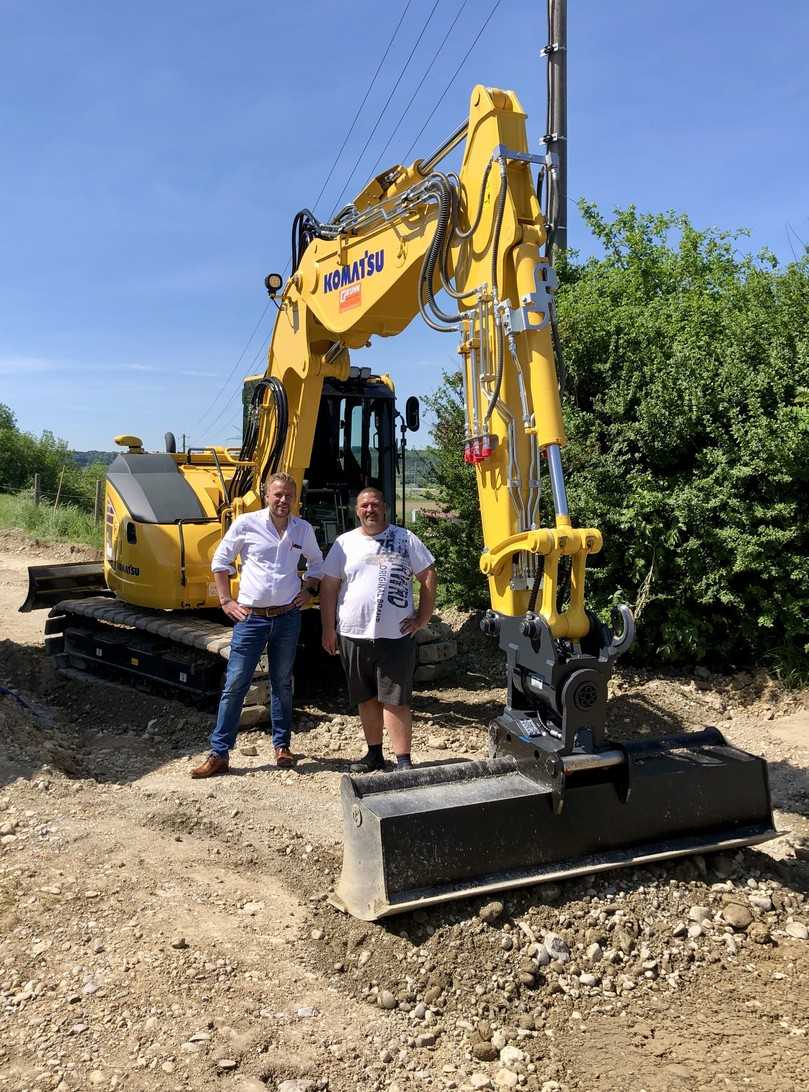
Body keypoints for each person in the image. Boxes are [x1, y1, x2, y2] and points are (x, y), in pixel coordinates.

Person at [191, 472, 323, 778]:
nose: (283, 500)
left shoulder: (302, 529)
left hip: (288, 617)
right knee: (236, 683)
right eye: (277, 495)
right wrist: (225, 601)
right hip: (251, 618)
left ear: (295, 498)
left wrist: (309, 590)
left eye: (288, 495)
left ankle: (282, 747)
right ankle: (219, 753)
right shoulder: (246, 524)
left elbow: (318, 563)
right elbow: (220, 562)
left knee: (282, 682)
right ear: (267, 496)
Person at [319, 487, 437, 773]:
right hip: (353, 635)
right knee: (366, 698)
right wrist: (328, 629)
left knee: (395, 700)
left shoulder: (404, 539)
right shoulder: (344, 544)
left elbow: (429, 574)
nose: (369, 509)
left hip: (395, 636)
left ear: (384, 507)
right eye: (364, 505)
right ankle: (374, 755)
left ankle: (403, 761)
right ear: (356, 511)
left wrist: (422, 618)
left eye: (374, 504)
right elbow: (329, 586)